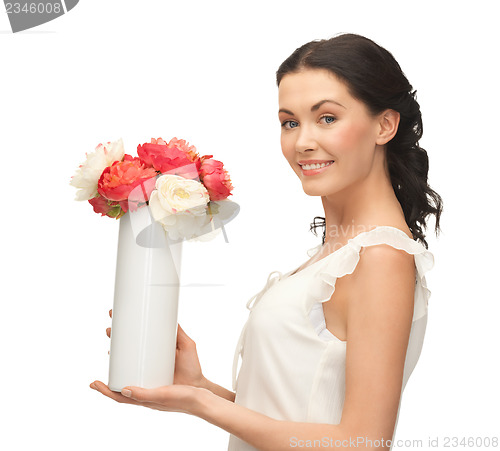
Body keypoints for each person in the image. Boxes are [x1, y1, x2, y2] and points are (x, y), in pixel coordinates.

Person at [90, 33, 443, 451]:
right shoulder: (337, 256)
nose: (302, 141)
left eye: (327, 118)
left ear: (385, 124)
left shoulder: (380, 256)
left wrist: (202, 404)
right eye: (289, 122)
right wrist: (199, 388)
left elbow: (362, 443)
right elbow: (295, 421)